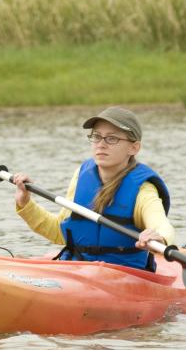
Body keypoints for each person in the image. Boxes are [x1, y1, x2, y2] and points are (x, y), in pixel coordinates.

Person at [10, 106, 176, 271]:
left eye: (111, 139)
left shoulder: (143, 190)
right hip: (77, 272)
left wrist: (159, 238)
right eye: (97, 137)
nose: (101, 144)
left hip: (123, 279)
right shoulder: (81, 176)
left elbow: (162, 225)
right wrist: (25, 204)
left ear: (133, 148)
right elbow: (59, 231)